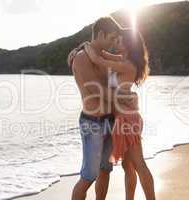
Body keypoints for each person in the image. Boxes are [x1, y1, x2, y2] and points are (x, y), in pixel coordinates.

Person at [84, 28, 156, 200]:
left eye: (119, 41)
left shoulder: (127, 64)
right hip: (123, 118)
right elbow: (101, 54)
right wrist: (79, 48)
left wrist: (86, 46)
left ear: (128, 44)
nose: (115, 43)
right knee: (128, 166)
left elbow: (96, 58)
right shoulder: (122, 60)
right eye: (115, 40)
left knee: (139, 165)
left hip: (127, 120)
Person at [68, 16, 122, 200]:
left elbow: (115, 83)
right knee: (88, 176)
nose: (113, 42)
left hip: (111, 120)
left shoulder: (103, 58)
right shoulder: (82, 58)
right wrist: (124, 99)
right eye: (111, 38)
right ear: (100, 34)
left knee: (106, 170)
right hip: (92, 123)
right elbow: (94, 89)